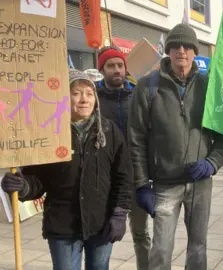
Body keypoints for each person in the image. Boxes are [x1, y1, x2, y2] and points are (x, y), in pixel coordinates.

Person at [0, 69, 133, 270]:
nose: (84, 100)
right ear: (63, 97)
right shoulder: (50, 132)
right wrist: (22, 185)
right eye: (76, 93)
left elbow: (123, 176)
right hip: (63, 225)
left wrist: (120, 214)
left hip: (101, 223)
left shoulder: (109, 131)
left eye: (89, 94)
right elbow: (38, 180)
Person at [128, 23, 223, 270]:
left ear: (195, 52)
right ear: (168, 51)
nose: (181, 51)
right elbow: (136, 138)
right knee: (161, 249)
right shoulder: (148, 86)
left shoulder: (210, 86)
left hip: (200, 183)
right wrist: (142, 184)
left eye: (187, 46)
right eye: (175, 46)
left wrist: (212, 162)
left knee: (198, 247)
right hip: (165, 183)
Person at [94, 46, 149, 269]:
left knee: (141, 234)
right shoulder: (93, 99)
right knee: (101, 235)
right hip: (104, 179)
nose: (116, 70)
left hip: (136, 177)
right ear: (102, 69)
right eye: (111, 66)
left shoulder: (138, 94)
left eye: (120, 65)